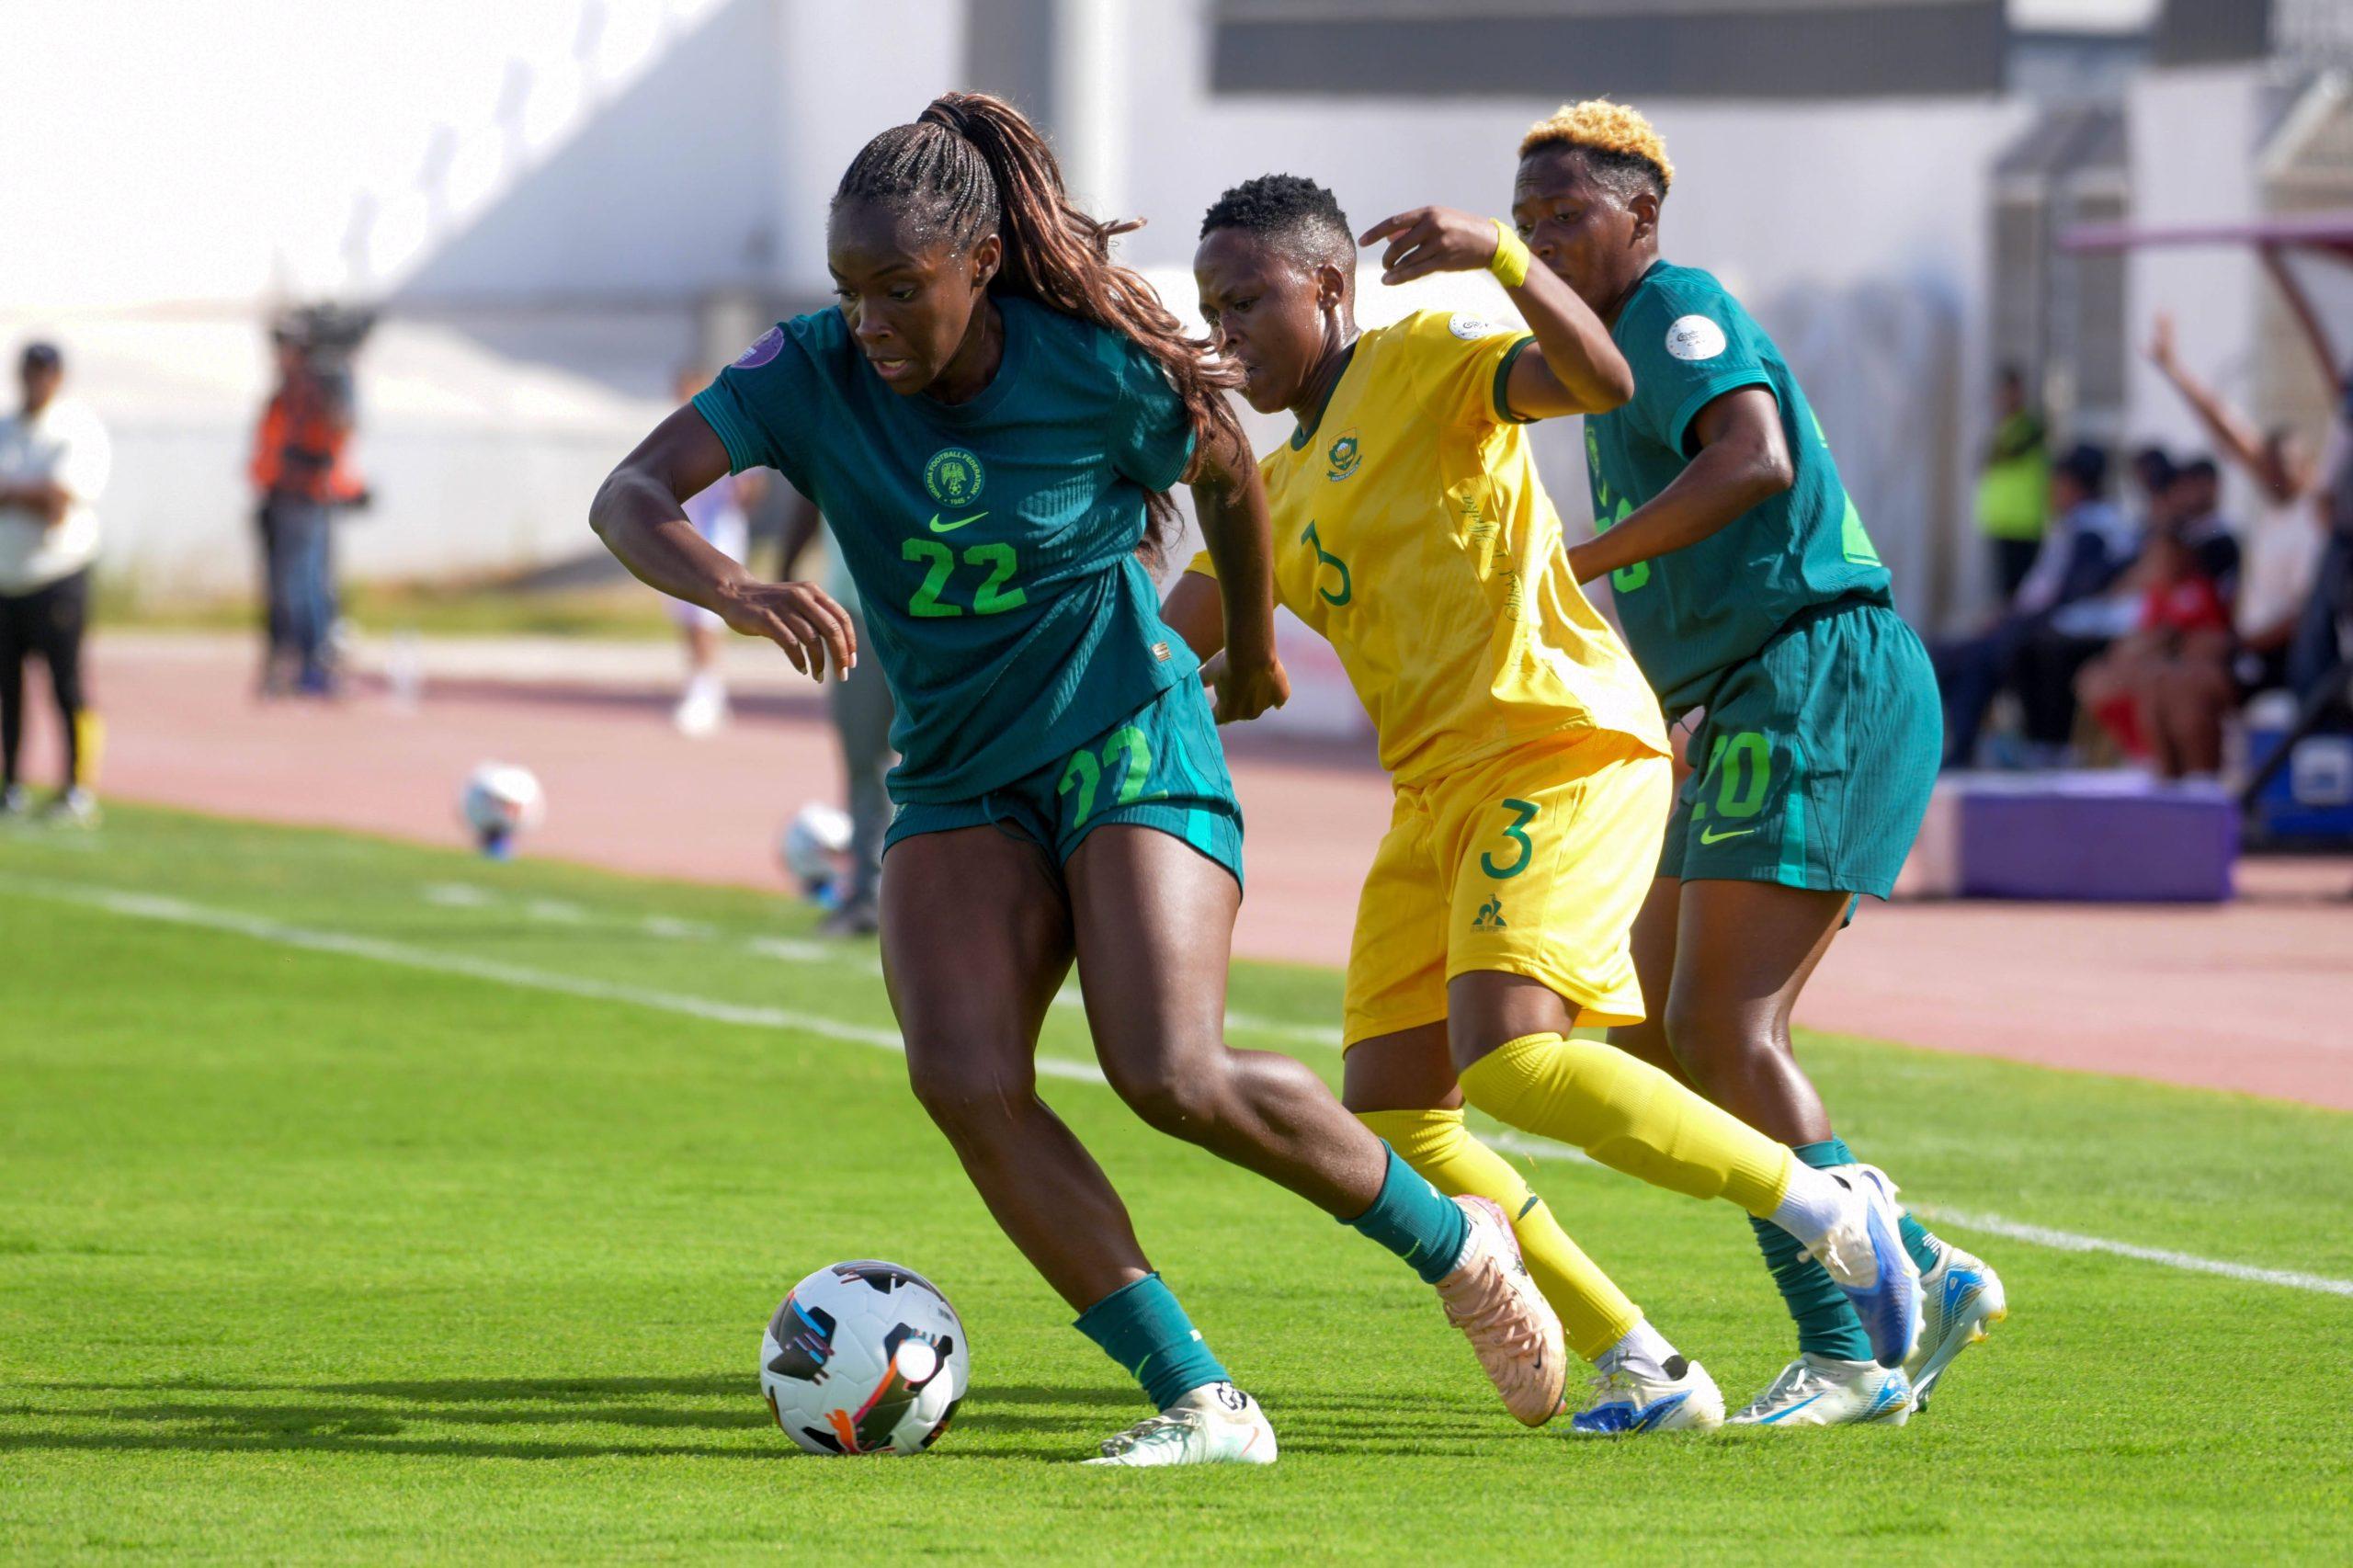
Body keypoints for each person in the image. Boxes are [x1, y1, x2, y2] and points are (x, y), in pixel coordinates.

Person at [591, 93, 1576, 1468]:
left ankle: (1456, 1245)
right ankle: (1200, 1399)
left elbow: (1233, 468)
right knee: (964, 1075)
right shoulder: (809, 368)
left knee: (1167, 1070)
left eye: (898, 288)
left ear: (980, 263)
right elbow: (630, 493)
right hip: (954, 768)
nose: (868, 319)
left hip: (1124, 728)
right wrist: (736, 586)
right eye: (848, 289)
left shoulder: (1095, 364)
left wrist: (1252, 645)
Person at [1172, 166, 1927, 1438]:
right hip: (1434, 796)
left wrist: (1501, 261)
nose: (1226, 329)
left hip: (1557, 745)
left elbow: (1600, 384)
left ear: (1331, 288)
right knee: (1398, 1112)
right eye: (1208, 308)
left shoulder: (1425, 354)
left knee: (1515, 1054)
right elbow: (1158, 641)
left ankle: (1830, 1209)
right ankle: (1646, 1363)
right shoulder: (1277, 491)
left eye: (1247, 299)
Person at [1509, 100, 2000, 1425]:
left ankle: (1848, 1348)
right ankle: (1915, 1261)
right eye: (1528, 221)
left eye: (1570, 215)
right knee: (1658, 1037)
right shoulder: (1604, 364)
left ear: (1642, 219)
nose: (1544, 239)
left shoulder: (1680, 312)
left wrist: (1577, 562)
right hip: (1743, 697)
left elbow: (1754, 458)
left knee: (1729, 1028)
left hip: (1816, 672)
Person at [1936, 442, 2137, 767]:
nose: (2051, 492)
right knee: (1962, 652)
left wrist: (2013, 619)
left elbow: (2067, 595)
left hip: (2077, 631)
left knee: (1984, 655)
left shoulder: (2094, 529)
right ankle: (1961, 742)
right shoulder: (2076, 525)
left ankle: (1974, 748)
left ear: (2073, 485)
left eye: (2056, 484)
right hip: (2053, 623)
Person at [0, 341, 111, 824]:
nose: (36, 381)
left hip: (56, 575)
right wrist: (30, 492)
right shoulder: (7, 430)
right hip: (7, 578)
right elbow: (39, 496)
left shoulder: (75, 430)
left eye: (44, 373)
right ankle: (13, 784)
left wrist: (12, 493)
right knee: (9, 690)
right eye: (29, 371)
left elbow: (57, 503)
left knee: (65, 684)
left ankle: (76, 786)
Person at [776, 484, 892, 935]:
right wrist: (785, 569)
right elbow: (810, 483)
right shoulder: (841, 414)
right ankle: (867, 898)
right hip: (854, 612)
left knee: (952, 758)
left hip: (935, 608)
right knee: (866, 760)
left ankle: (965, 901)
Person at [249, 321, 364, 697]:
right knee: (295, 584)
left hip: (305, 497)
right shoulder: (289, 391)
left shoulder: (316, 388)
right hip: (283, 495)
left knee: (302, 585)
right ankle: (300, 659)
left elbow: (337, 430)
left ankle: (312, 661)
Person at [666, 367, 762, 737]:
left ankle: (707, 690)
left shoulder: (729, 433)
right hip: (681, 529)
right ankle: (702, 683)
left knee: (709, 612)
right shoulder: (672, 435)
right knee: (687, 613)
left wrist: (744, 490)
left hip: (718, 532)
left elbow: (751, 486)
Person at [1974, 366, 2049, 599]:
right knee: (2006, 592)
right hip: (2002, 522)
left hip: (2024, 524)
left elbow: (2003, 455)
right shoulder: (2003, 427)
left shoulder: (2029, 427)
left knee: (2022, 593)